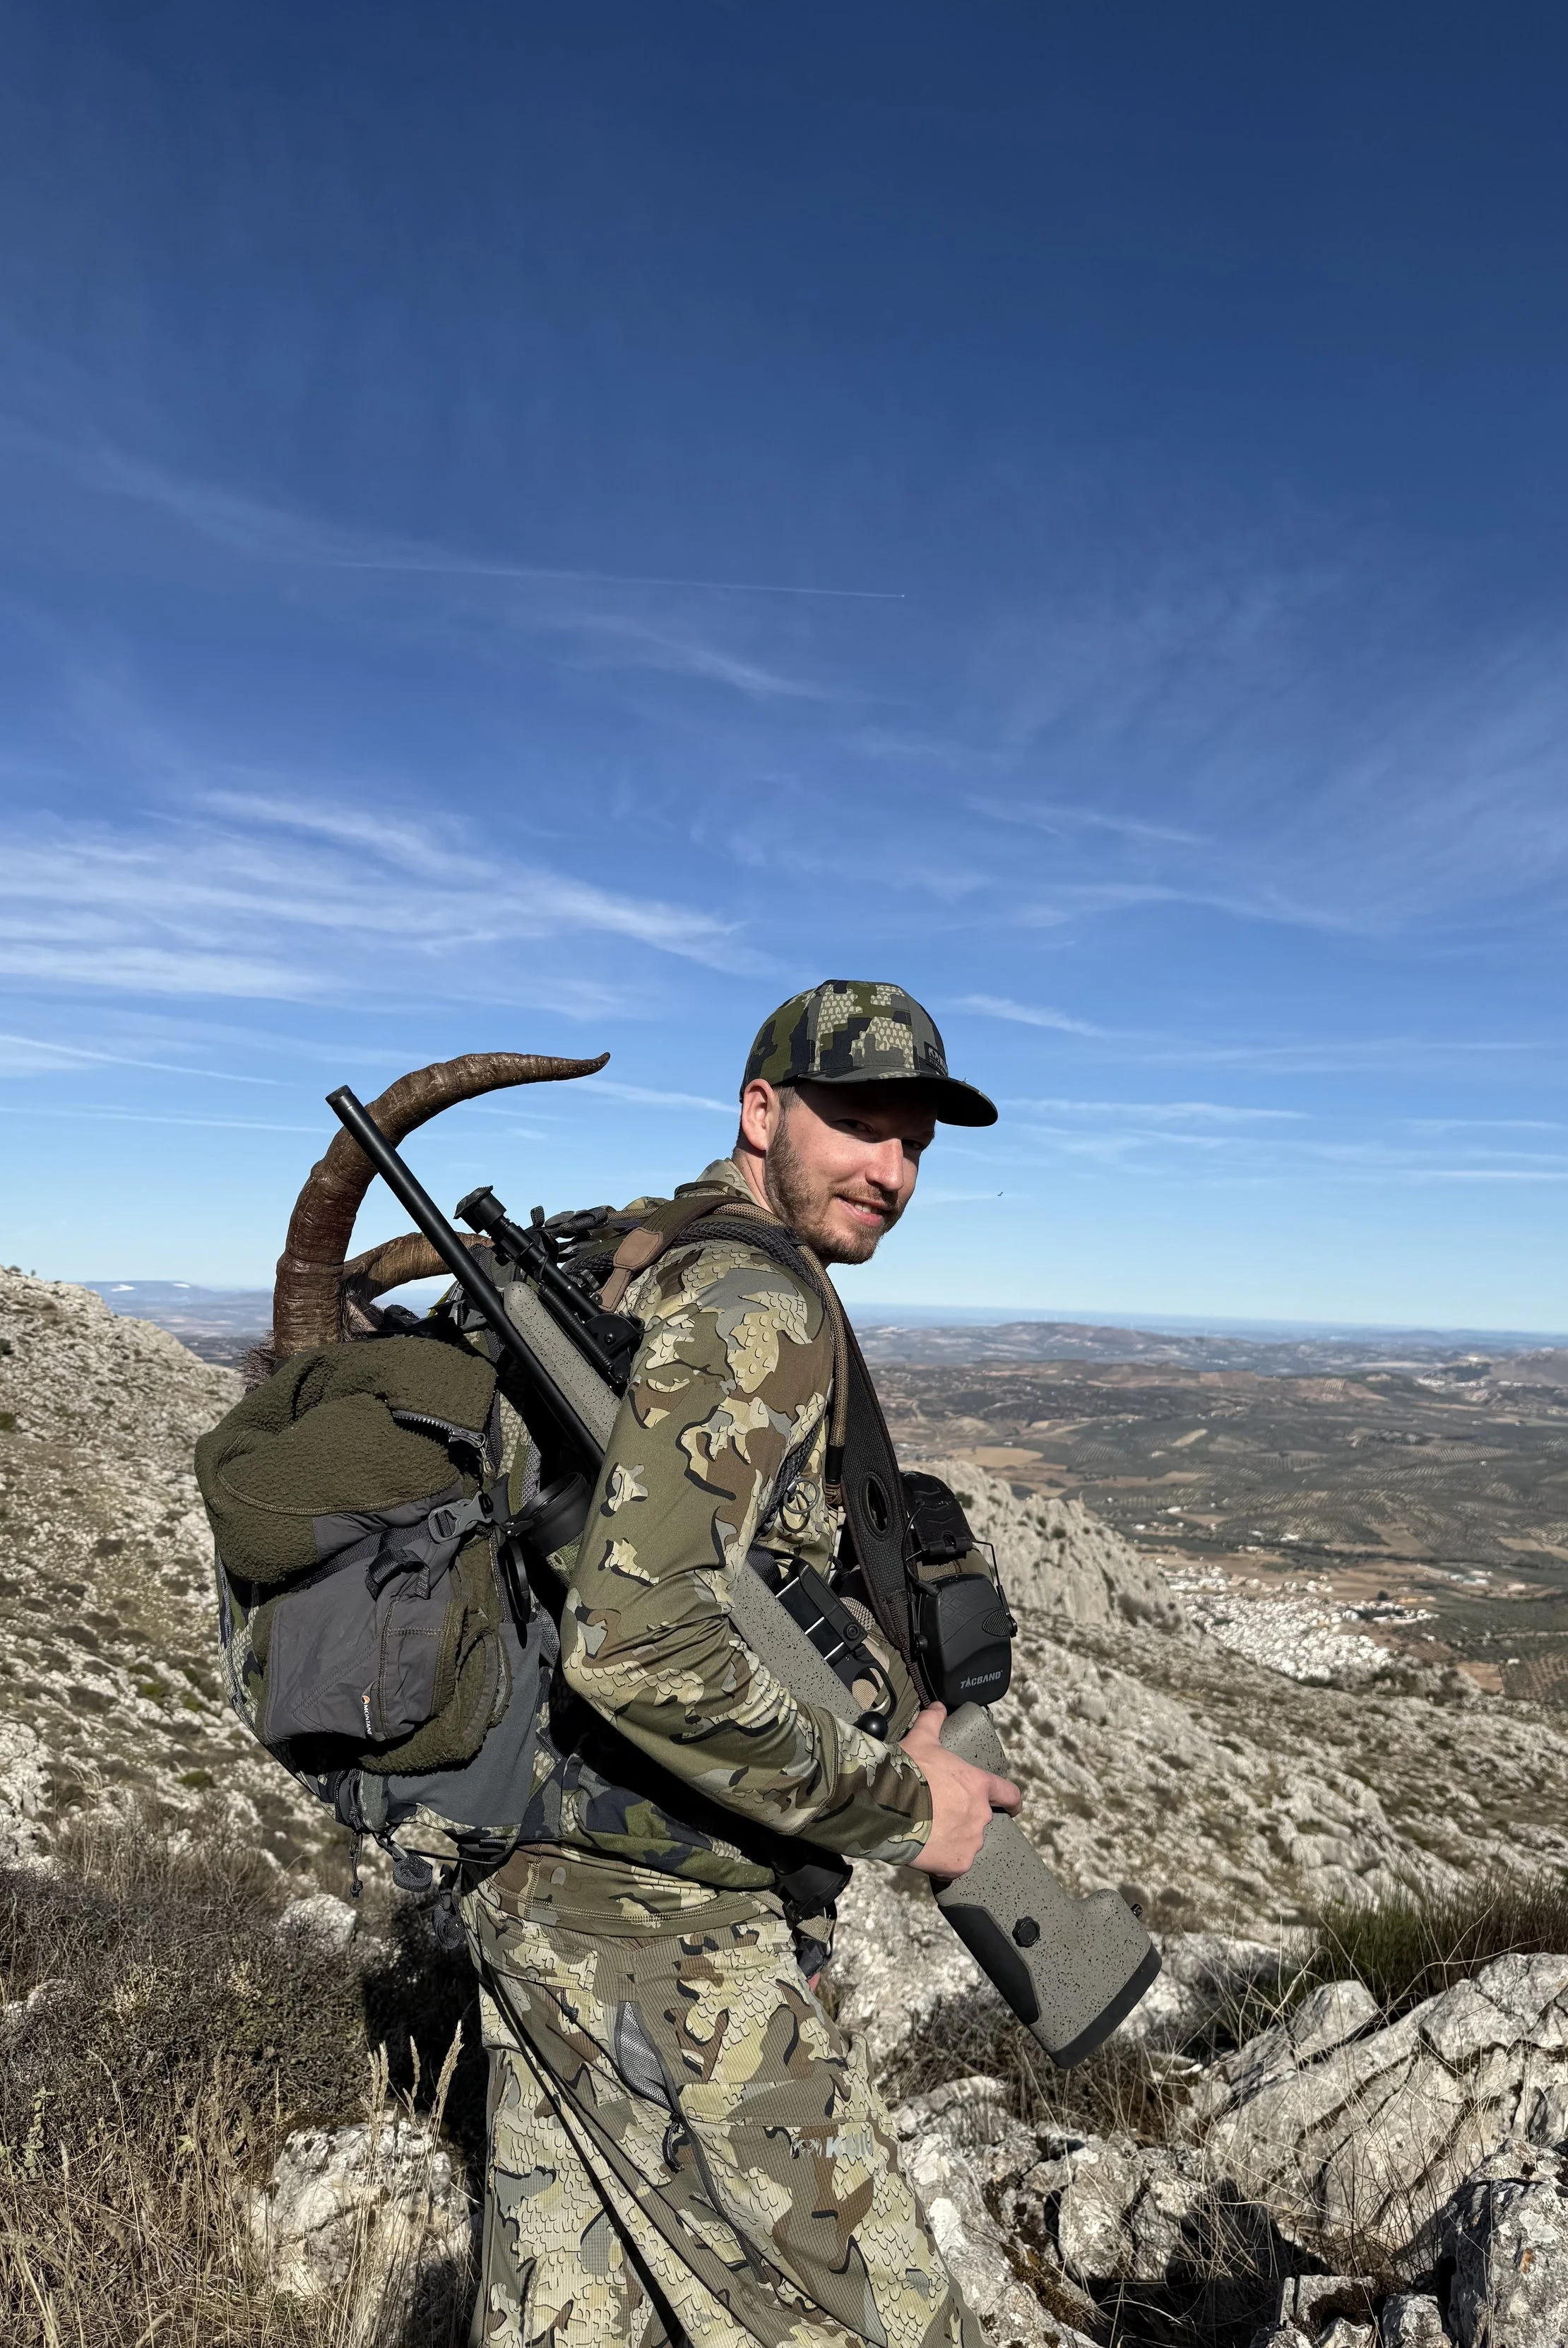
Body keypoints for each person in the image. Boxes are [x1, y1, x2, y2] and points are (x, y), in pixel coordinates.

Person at [460, 979, 1021, 2348]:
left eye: (914, 1143)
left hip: (548, 1887)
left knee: (565, 2322)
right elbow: (642, 1646)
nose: (889, 1169)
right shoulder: (752, 1296)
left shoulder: (647, 1252)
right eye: (857, 1124)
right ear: (762, 1110)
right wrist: (910, 1804)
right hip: (670, 1933)